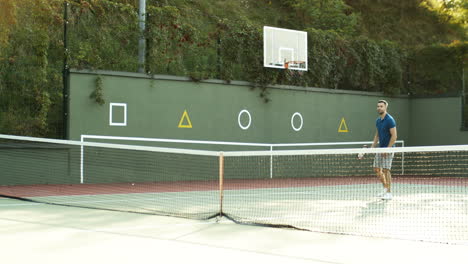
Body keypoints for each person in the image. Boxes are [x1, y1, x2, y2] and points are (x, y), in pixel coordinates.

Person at [371, 100, 397, 200]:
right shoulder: (378, 121)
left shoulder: (390, 120)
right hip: (380, 149)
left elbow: (394, 136)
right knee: (377, 169)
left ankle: (389, 193)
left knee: (386, 170)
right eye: (378, 106)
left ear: (385, 107)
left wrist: (387, 149)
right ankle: (385, 189)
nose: (379, 108)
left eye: (381, 106)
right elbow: (377, 135)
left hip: (389, 149)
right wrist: (373, 147)